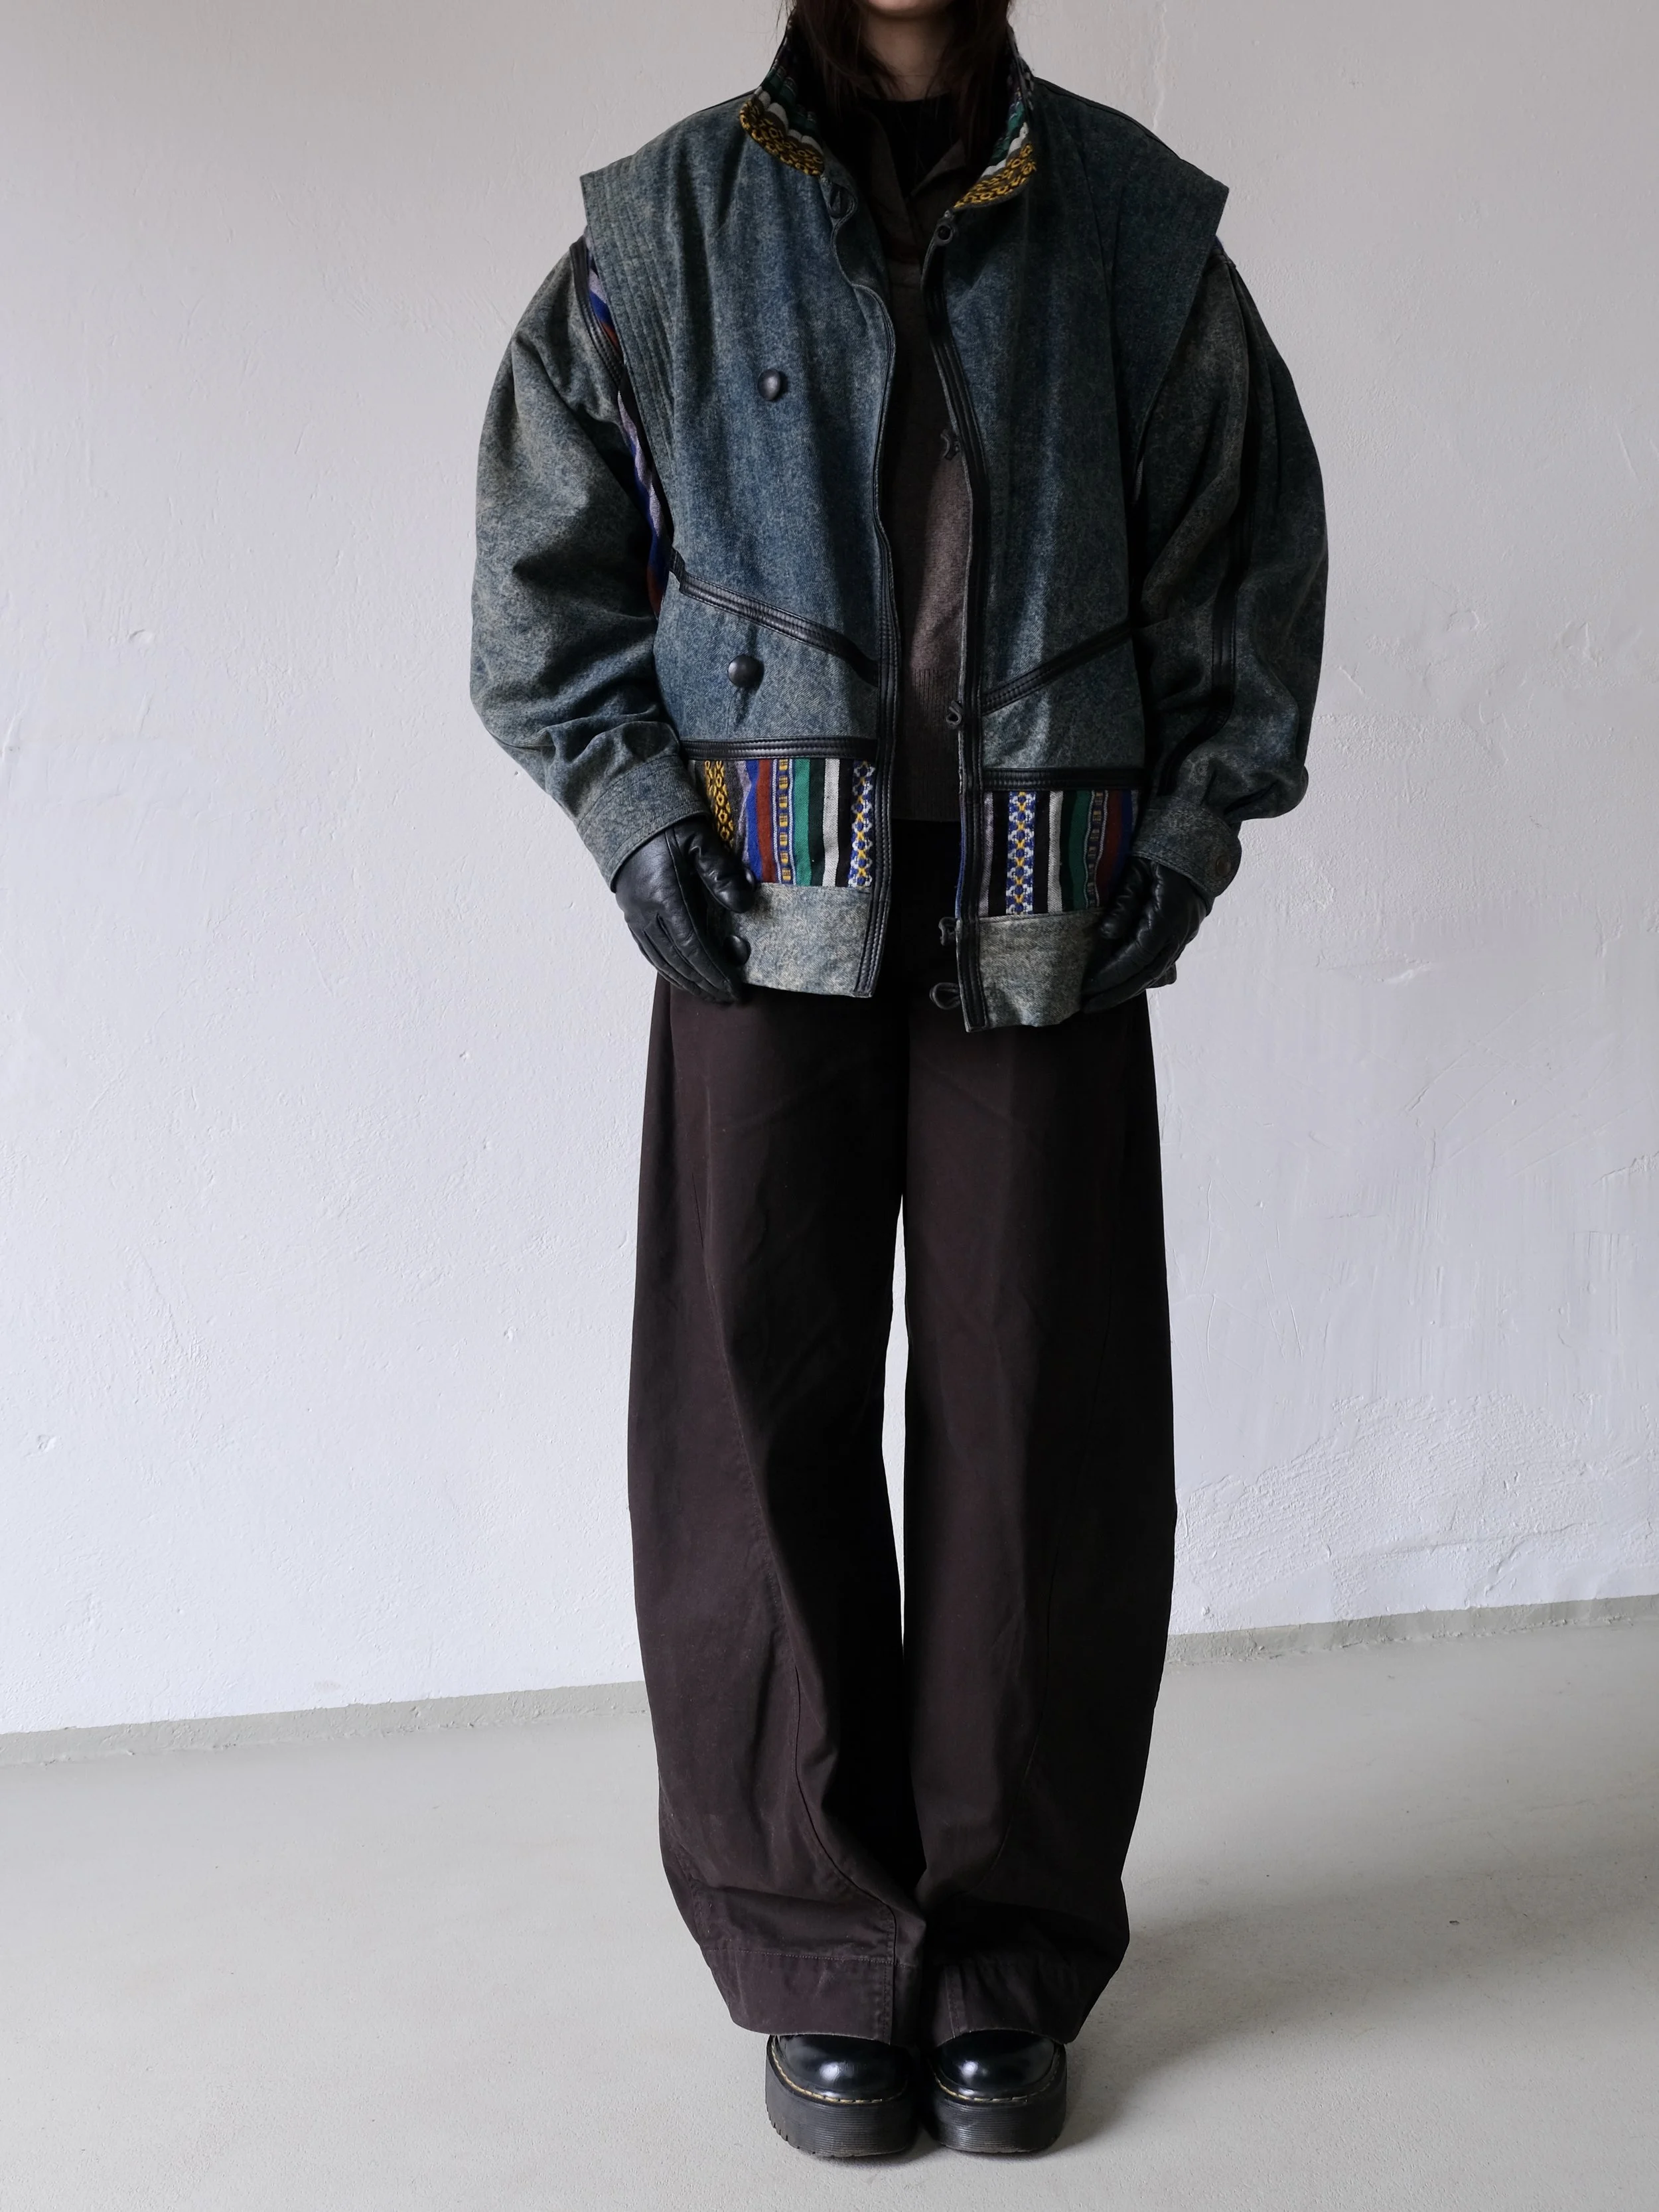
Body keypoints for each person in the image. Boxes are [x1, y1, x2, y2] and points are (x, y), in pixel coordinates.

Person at [470, 0, 1326, 2161]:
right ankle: (816, 1945)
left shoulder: (1130, 223)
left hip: (1048, 903)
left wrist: (1189, 824)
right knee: (748, 1413)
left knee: (1039, 1414)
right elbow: (539, 569)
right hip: (757, 904)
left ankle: (1007, 1949)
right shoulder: (662, 228)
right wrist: (633, 815)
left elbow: (1242, 548)